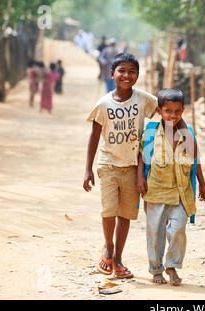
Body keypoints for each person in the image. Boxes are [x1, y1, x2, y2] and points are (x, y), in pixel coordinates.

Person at [83, 52, 158, 279]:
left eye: (132, 71)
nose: (127, 75)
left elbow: (166, 110)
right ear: (112, 74)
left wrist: (184, 131)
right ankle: (107, 246)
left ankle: (118, 259)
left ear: (138, 75)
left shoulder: (144, 99)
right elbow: (94, 137)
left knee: (125, 215)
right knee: (109, 211)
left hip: (133, 167)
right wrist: (88, 169)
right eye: (122, 71)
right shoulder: (103, 104)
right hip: (107, 164)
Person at [137, 88, 205, 286]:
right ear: (159, 111)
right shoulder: (151, 131)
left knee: (178, 230)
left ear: (183, 111)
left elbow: (195, 158)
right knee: (155, 232)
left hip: (181, 191)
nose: (173, 115)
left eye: (177, 111)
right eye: (168, 111)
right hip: (156, 190)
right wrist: (139, 179)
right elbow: (141, 158)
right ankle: (156, 269)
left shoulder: (187, 133)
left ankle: (172, 265)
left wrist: (202, 183)